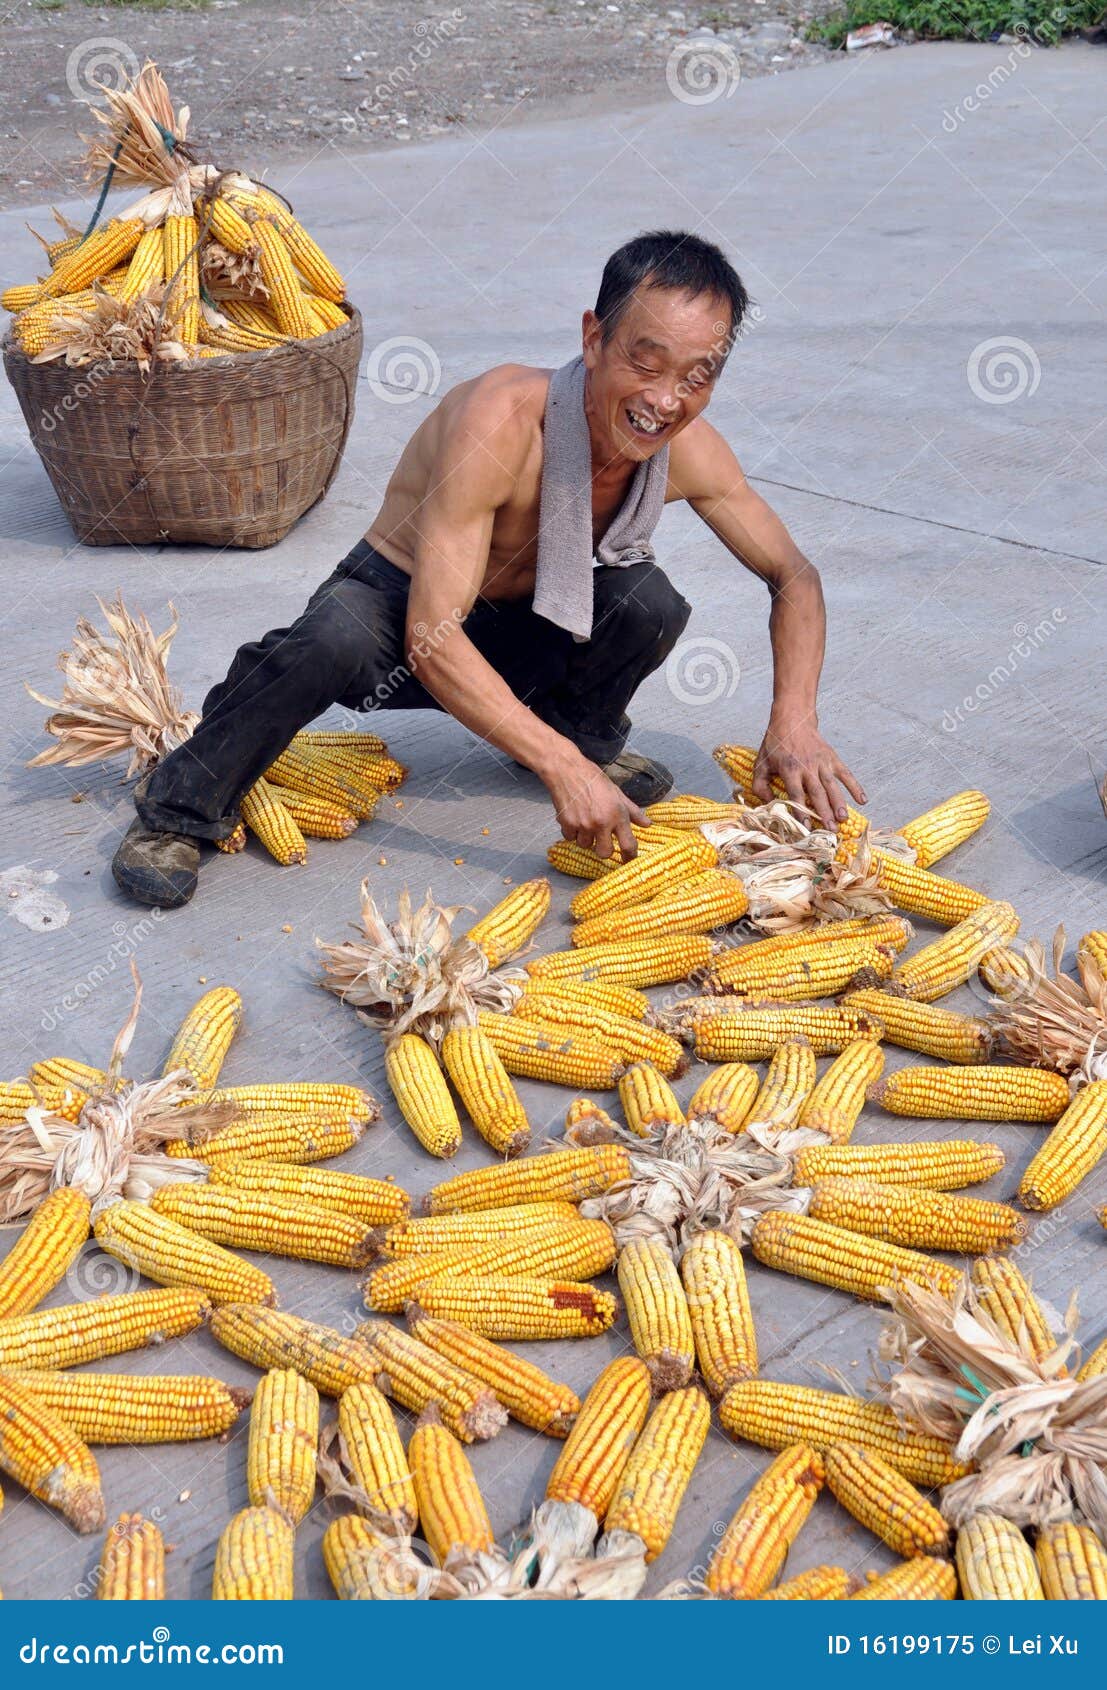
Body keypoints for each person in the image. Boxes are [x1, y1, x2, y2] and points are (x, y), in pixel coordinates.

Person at [113, 229, 864, 909]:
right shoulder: (500, 420)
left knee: (646, 602)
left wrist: (794, 722)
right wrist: (560, 767)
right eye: (646, 361)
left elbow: (793, 577)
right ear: (593, 338)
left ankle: (569, 738)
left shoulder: (688, 450)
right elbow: (431, 637)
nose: (666, 400)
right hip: (398, 617)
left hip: (523, 622)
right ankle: (178, 809)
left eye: (697, 376)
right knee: (330, 637)